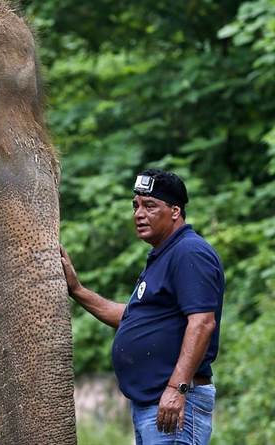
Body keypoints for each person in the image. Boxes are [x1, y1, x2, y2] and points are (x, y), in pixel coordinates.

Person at [60, 169, 225, 445]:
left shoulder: (189, 252)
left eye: (150, 206)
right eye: (135, 205)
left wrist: (177, 388)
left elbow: (203, 323)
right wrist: (77, 290)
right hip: (153, 403)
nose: (139, 213)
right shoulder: (163, 255)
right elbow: (131, 318)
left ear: (175, 211)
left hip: (175, 402)